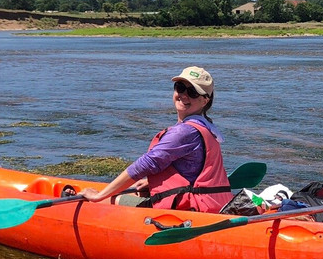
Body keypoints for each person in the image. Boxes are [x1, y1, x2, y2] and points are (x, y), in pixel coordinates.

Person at [80, 66, 233, 212]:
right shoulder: (208, 128)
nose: (184, 95)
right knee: (132, 195)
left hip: (189, 210)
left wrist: (99, 195)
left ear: (205, 101)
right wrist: (153, 182)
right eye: (180, 87)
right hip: (211, 205)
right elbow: (192, 170)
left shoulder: (185, 131)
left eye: (193, 92)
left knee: (113, 199)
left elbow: (145, 164)